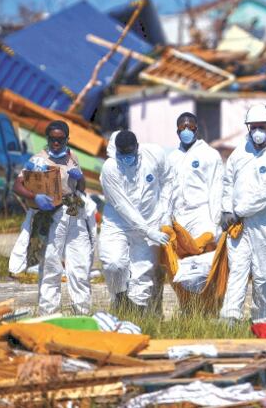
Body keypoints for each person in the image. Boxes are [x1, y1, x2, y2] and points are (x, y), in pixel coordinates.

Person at [218, 104, 266, 324]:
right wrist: (226, 209)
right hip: (239, 225)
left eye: (262, 126)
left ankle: (263, 320)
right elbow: (228, 182)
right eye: (254, 127)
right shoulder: (240, 152)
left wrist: (237, 211)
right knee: (237, 271)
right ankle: (230, 317)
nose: (258, 131)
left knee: (264, 274)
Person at [12, 121, 93, 315]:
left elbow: (80, 188)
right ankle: (48, 313)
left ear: (67, 139)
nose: (56, 143)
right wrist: (35, 197)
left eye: (60, 139)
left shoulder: (72, 157)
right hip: (50, 214)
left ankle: (82, 312)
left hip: (73, 212)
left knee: (80, 265)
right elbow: (17, 185)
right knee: (50, 264)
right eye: (52, 139)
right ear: (47, 139)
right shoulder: (38, 160)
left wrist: (80, 177)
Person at [98, 130, 173, 311]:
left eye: (129, 153)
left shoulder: (154, 154)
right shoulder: (109, 168)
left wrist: (165, 214)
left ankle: (137, 315)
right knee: (114, 264)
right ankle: (119, 297)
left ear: (137, 147)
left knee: (143, 272)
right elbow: (123, 206)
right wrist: (148, 231)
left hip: (151, 218)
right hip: (118, 222)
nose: (125, 158)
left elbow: (168, 180)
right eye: (121, 154)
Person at [168, 112, 224, 240]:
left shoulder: (209, 154)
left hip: (201, 215)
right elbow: (168, 189)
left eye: (190, 127)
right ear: (177, 131)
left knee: (202, 256)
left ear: (196, 129)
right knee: (181, 259)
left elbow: (216, 188)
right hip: (179, 217)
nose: (186, 130)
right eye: (182, 127)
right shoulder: (172, 158)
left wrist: (216, 221)